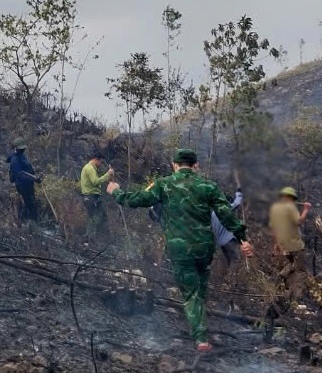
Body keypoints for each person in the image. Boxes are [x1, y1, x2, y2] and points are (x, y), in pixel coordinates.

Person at [107, 149, 253, 352]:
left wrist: (116, 191)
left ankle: (201, 338)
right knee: (200, 289)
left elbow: (137, 200)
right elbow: (226, 214)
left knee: (191, 293)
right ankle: (200, 327)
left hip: (180, 249)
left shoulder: (164, 184)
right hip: (204, 249)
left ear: (174, 165)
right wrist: (242, 237)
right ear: (196, 166)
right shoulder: (208, 186)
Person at [269, 186, 312, 309]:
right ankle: (294, 298)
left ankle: (282, 282)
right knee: (301, 271)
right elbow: (299, 221)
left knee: (290, 266)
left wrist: (276, 244)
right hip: (295, 245)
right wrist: (306, 209)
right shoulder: (290, 208)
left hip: (284, 246)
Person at [80, 152, 114, 240]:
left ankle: (97, 238)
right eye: (100, 162)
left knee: (101, 216)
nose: (101, 164)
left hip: (93, 197)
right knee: (95, 217)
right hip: (90, 197)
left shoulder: (89, 168)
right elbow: (95, 181)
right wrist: (108, 174)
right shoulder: (90, 168)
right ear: (96, 159)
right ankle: (89, 239)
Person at [8, 138, 41, 226]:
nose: (23, 150)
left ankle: (28, 224)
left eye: (23, 148)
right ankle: (28, 224)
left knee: (30, 202)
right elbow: (20, 174)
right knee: (29, 203)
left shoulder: (21, 156)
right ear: (16, 148)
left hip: (28, 184)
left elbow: (27, 168)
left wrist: (35, 173)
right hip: (22, 185)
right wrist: (34, 179)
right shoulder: (14, 160)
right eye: (21, 148)